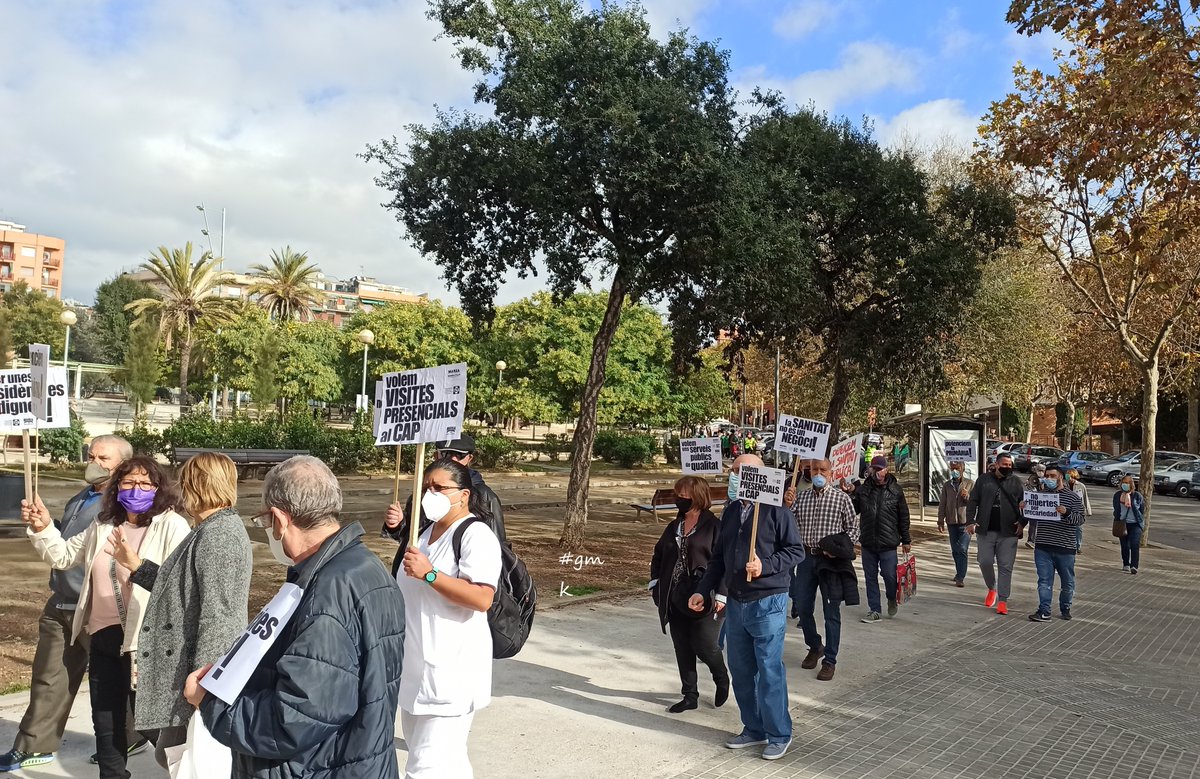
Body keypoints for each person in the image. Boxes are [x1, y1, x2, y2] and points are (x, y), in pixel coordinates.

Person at [186, 455, 406, 778]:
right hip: (357, 758)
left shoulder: (327, 593)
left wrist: (211, 704)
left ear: (279, 519)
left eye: (264, 522)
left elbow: (294, 718)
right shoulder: (366, 566)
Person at [24, 456, 191, 779]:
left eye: (145, 483)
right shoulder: (103, 525)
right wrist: (43, 526)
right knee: (106, 718)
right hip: (103, 635)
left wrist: (135, 563)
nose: (136, 489)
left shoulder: (172, 525)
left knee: (156, 723)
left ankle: (190, 771)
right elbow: (63, 556)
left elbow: (178, 586)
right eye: (128, 482)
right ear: (116, 488)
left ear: (159, 489)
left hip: (147, 641)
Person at [0, 436, 148, 773]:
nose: (93, 461)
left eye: (103, 457)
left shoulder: (124, 507)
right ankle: (34, 745)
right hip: (63, 603)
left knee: (113, 681)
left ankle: (130, 736)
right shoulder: (82, 498)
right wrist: (43, 524)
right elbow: (66, 549)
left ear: (122, 464)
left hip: (100, 609)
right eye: (91, 454)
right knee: (49, 676)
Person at [109, 452, 252, 769]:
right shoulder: (210, 529)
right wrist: (137, 566)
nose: (180, 489)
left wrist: (206, 678)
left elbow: (221, 614)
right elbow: (182, 589)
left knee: (187, 760)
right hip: (186, 671)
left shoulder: (220, 534)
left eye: (185, 481)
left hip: (197, 675)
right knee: (171, 755)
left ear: (196, 484)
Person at [689, 454, 805, 761]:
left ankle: (779, 733)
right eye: (733, 470)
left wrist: (764, 566)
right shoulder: (731, 512)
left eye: (741, 471)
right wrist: (704, 590)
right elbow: (718, 559)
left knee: (768, 669)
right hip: (737, 603)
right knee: (741, 670)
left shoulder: (777, 510)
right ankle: (754, 728)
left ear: (758, 476)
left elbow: (796, 551)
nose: (734, 475)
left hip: (768, 601)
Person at [393, 458, 501, 777]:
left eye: (439, 488)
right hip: (415, 671)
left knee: (425, 768)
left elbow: (482, 597)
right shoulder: (424, 533)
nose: (431, 494)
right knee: (446, 762)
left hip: (450, 674)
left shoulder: (474, 535)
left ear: (464, 495)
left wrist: (430, 575)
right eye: (427, 487)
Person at [649, 476, 729, 714]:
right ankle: (689, 695)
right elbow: (658, 555)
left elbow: (725, 562)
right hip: (675, 596)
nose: (679, 499)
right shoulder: (675, 526)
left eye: (684, 495)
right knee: (682, 646)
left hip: (705, 595)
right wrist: (655, 583)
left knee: (705, 645)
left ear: (698, 497)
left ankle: (721, 677)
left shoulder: (715, 526)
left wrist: (721, 595)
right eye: (677, 495)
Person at [784, 459, 859, 681]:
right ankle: (815, 645)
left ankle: (830, 660)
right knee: (803, 607)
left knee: (831, 612)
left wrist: (840, 549)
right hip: (806, 558)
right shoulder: (802, 497)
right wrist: (787, 505)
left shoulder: (841, 498)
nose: (818, 473)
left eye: (822, 470)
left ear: (830, 472)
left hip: (831, 563)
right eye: (814, 469)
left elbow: (853, 529)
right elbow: (787, 521)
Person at [383, 433, 506, 547]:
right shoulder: (423, 493)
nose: (452, 459)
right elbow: (409, 536)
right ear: (436, 455)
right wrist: (397, 524)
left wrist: (430, 571)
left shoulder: (485, 496)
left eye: (459, 455)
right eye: (446, 453)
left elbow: (496, 549)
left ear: (469, 458)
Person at [848, 455, 911, 623]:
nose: (876, 472)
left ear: (886, 470)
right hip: (868, 542)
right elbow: (852, 510)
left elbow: (903, 516)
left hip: (889, 543)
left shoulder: (895, 490)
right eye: (873, 468)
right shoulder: (863, 490)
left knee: (890, 576)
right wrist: (850, 494)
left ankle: (891, 597)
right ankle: (874, 609)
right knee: (870, 577)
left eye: (879, 469)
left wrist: (906, 540)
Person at [965, 453, 1025, 615]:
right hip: (986, 530)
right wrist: (970, 521)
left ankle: (1003, 600)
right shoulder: (984, 480)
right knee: (984, 561)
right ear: (997, 464)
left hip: (1009, 532)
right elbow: (973, 501)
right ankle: (992, 588)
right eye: (1004, 464)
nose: (1007, 467)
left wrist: (1022, 522)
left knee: (1006, 566)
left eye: (1010, 465)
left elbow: (1027, 504)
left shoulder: (1016, 482)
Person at [1026, 466, 1085, 621]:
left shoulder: (1072, 497)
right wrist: (1025, 509)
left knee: (1067, 582)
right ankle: (1044, 611)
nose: (1048, 479)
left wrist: (1066, 513)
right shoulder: (1040, 495)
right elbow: (1032, 516)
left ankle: (1065, 606)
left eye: (1052, 476)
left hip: (1065, 548)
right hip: (1043, 546)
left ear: (1060, 478)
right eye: (1046, 476)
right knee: (1044, 580)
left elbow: (1080, 520)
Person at [937, 462, 974, 587]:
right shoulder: (947, 485)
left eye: (957, 468)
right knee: (955, 550)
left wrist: (967, 496)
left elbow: (975, 504)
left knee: (962, 549)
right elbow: (943, 503)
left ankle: (960, 577)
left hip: (965, 522)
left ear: (962, 469)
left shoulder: (970, 484)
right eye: (952, 469)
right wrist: (940, 520)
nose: (955, 471)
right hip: (951, 522)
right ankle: (959, 571)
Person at [1114, 475, 1145, 574]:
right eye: (1124, 482)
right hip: (1122, 523)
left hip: (1135, 524)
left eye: (1127, 483)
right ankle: (1126, 563)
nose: (1125, 485)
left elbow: (1141, 509)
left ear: (1131, 484)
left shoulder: (1137, 496)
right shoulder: (1118, 495)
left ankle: (1134, 565)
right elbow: (1116, 509)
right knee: (1124, 545)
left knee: (1134, 544)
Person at [1066, 468, 1092, 552]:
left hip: (1078, 510)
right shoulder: (1064, 485)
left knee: (1078, 529)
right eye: (1067, 475)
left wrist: (1088, 510)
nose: (1068, 477)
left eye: (1069, 475)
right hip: (1067, 509)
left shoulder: (1081, 486)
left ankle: (1078, 546)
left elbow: (1085, 498)